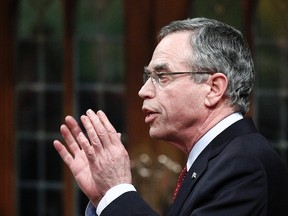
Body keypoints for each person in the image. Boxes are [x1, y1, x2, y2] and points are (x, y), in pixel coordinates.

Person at [53, 17, 288, 216]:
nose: (143, 91)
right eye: (148, 76)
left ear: (214, 88)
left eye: (162, 76)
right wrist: (103, 197)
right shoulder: (220, 157)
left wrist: (117, 191)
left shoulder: (244, 165)